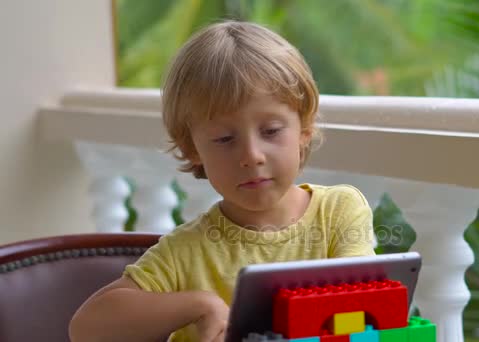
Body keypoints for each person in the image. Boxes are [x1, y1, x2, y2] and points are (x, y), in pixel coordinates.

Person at [69, 20, 375, 342]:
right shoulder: (183, 252)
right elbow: (86, 328)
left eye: (271, 131)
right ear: (192, 149)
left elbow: (363, 310)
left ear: (304, 132)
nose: (252, 155)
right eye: (225, 138)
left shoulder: (339, 212)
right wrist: (198, 305)